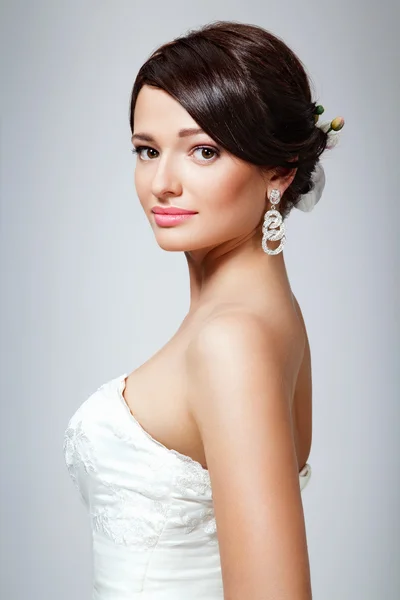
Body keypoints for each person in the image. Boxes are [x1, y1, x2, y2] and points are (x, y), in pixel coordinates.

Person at [64, 20, 344, 599]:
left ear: (280, 169)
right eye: (147, 150)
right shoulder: (265, 319)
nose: (161, 183)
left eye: (203, 151)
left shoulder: (232, 340)